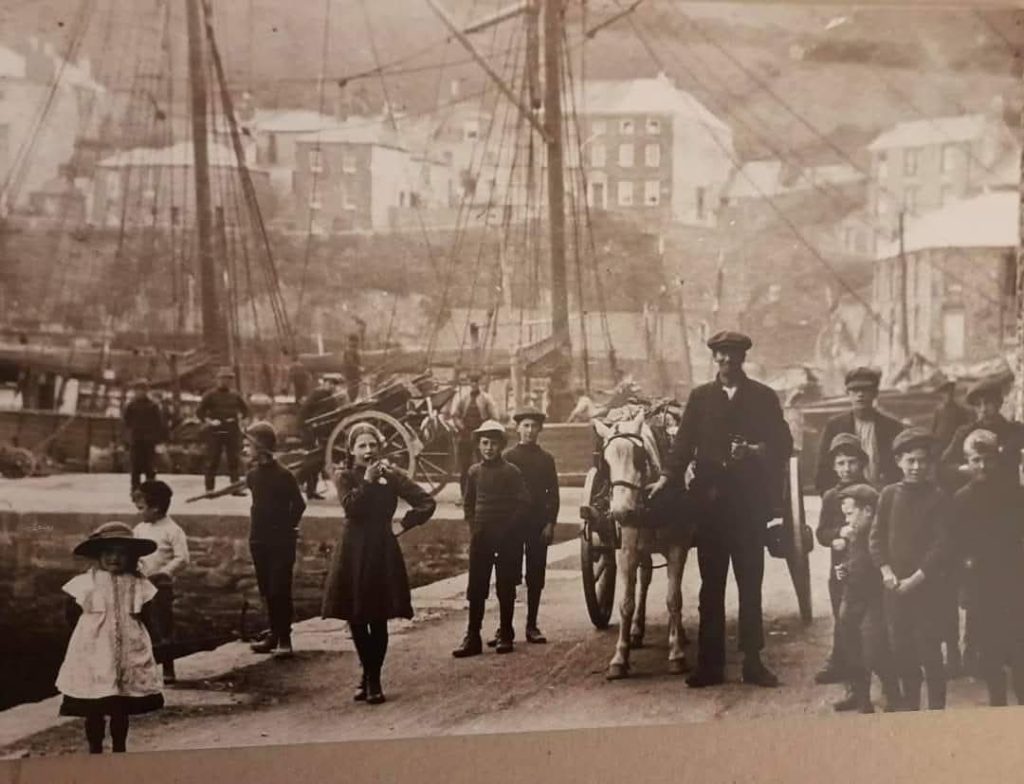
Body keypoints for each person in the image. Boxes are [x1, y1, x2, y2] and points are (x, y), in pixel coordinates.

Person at [650, 330, 793, 688]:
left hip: (748, 508)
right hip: (711, 508)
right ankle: (710, 665)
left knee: (750, 585)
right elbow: (682, 445)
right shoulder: (700, 398)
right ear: (713, 358)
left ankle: (753, 663)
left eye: (733, 355)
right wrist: (666, 477)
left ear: (743, 358)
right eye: (720, 355)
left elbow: (782, 443)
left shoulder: (763, 397)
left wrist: (755, 451)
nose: (726, 361)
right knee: (711, 587)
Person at [321, 423, 437, 705]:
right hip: (354, 549)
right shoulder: (345, 476)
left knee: (378, 615)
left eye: (372, 445)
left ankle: (373, 679)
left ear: (379, 447)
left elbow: (426, 502)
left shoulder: (391, 474)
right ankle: (368, 674)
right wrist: (369, 481)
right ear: (352, 450)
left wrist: (404, 524)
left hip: (381, 548)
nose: (368, 450)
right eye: (361, 445)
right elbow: (351, 507)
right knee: (357, 615)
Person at [56, 522, 164, 753]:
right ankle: (95, 748)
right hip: (94, 652)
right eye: (108, 552)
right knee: (94, 705)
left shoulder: (139, 584)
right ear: (98, 555)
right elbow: (71, 615)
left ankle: (119, 749)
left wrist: (154, 640)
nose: (115, 558)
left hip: (127, 652)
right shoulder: (85, 583)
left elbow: (149, 616)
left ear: (132, 557)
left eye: (122, 553)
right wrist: (87, 637)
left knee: (120, 705)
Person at [868, 427, 951, 711]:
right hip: (894, 591)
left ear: (929, 464)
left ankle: (938, 711)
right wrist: (886, 572)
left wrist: (915, 580)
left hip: (926, 589)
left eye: (922, 461)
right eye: (910, 460)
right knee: (902, 651)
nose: (916, 467)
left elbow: (941, 546)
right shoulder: (889, 495)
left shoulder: (938, 497)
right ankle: (911, 710)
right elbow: (876, 538)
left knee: (929, 652)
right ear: (898, 461)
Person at [950, 429, 1024, 706]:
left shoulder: (1015, 494)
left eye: (988, 459)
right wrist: (965, 588)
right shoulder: (960, 499)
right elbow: (955, 547)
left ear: (997, 459)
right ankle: (997, 707)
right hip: (981, 587)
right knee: (989, 654)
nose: (982, 466)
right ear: (967, 462)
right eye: (976, 460)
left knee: (1020, 653)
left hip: (1015, 583)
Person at [452, 420, 530, 658]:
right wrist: (474, 526)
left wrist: (509, 529)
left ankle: (505, 632)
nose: (489, 448)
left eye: (493, 444)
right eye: (485, 443)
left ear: (501, 445)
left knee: (505, 586)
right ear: (478, 445)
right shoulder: (474, 472)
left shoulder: (511, 471)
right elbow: (468, 503)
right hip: (482, 537)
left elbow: (523, 502)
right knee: (476, 587)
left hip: (507, 538)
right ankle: (472, 636)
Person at [831, 484, 901, 713]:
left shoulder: (880, 536)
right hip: (851, 597)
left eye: (851, 514)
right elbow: (852, 560)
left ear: (869, 512)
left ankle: (893, 693)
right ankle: (861, 698)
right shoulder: (854, 534)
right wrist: (843, 570)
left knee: (875, 650)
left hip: (874, 599)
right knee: (852, 648)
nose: (847, 520)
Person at [244, 422, 306, 657]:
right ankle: (273, 633)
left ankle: (284, 638)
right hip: (258, 540)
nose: (244, 448)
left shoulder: (284, 475)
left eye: (247, 443)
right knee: (267, 589)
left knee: (280, 587)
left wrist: (287, 527)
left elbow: (299, 504)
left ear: (260, 446)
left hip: (281, 542)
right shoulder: (252, 476)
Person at [814, 433, 870, 689]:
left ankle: (866, 664)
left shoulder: (871, 493)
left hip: (866, 566)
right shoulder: (829, 497)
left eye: (852, 462)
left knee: (865, 618)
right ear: (834, 467)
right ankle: (843, 666)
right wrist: (836, 536)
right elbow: (821, 532)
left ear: (862, 463)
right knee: (842, 616)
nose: (847, 469)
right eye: (841, 463)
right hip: (839, 570)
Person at [501, 406, 560, 645]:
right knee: (508, 575)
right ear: (517, 428)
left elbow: (553, 494)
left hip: (537, 524)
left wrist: (550, 523)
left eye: (534, 426)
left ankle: (532, 625)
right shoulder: (507, 457)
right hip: (512, 526)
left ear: (540, 430)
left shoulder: (546, 459)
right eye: (525, 425)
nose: (529, 430)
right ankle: (504, 629)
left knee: (535, 575)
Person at [132, 480, 190, 684]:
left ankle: (168, 668)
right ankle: (144, 668)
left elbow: (182, 558)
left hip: (161, 588)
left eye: (142, 508)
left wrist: (164, 572)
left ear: (155, 509)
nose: (139, 512)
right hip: (141, 585)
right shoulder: (139, 529)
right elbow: (135, 553)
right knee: (141, 626)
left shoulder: (172, 530)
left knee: (163, 626)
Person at [814, 367, 902, 494]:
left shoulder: (892, 427)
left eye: (866, 390)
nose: (860, 394)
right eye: (855, 390)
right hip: (846, 498)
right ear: (847, 393)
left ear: (875, 393)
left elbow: (899, 468)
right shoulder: (834, 427)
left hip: (883, 496)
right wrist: (834, 500)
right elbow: (824, 470)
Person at [941, 374, 1024, 491]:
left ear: (999, 403)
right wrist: (965, 469)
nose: (983, 409)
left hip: (1010, 495)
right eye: (978, 405)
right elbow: (945, 465)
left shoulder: (1016, 431)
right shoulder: (965, 432)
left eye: (987, 403)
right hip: (977, 496)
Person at [197, 367, 250, 496]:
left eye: (228, 379)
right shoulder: (210, 395)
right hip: (216, 430)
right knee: (213, 458)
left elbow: (246, 411)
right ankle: (209, 489)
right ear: (218, 380)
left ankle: (235, 487)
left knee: (234, 459)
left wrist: (242, 421)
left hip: (232, 429)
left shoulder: (235, 395)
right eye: (223, 378)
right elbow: (200, 412)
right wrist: (209, 421)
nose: (225, 381)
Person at [452, 373, 499, 502]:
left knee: (484, 465)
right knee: (465, 468)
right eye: (471, 382)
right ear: (468, 383)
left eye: (476, 382)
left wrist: (485, 430)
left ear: (480, 384)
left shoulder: (486, 399)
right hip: (465, 436)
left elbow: (495, 416)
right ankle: (465, 497)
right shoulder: (464, 399)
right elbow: (455, 415)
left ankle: (484, 496)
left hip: (481, 437)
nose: (473, 385)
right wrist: (461, 427)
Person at [297, 373, 342, 500]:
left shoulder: (330, 397)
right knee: (313, 460)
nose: (332, 386)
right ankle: (296, 482)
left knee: (318, 462)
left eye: (334, 384)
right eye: (330, 383)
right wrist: (306, 431)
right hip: (312, 432)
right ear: (324, 383)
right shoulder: (317, 395)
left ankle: (311, 491)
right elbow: (303, 413)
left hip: (322, 433)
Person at [122, 378, 166, 494]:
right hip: (136, 439)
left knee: (149, 466)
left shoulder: (153, 406)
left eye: (142, 390)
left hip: (149, 440)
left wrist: (158, 439)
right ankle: (135, 489)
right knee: (135, 466)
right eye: (137, 390)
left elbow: (159, 423)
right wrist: (126, 438)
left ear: (146, 391)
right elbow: (126, 422)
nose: (139, 393)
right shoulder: (131, 405)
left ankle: (150, 489)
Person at [931, 379, 970, 456]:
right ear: (942, 395)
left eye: (951, 393)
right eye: (946, 393)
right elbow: (934, 427)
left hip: (954, 443)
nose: (948, 396)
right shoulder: (938, 410)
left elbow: (964, 428)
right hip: (940, 442)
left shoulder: (960, 410)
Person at [342, 334, 363, 403]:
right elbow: (350, 362)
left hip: (354, 375)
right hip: (351, 375)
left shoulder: (354, 350)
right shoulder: (349, 350)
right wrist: (358, 368)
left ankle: (352, 402)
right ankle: (351, 403)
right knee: (352, 391)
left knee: (354, 391)